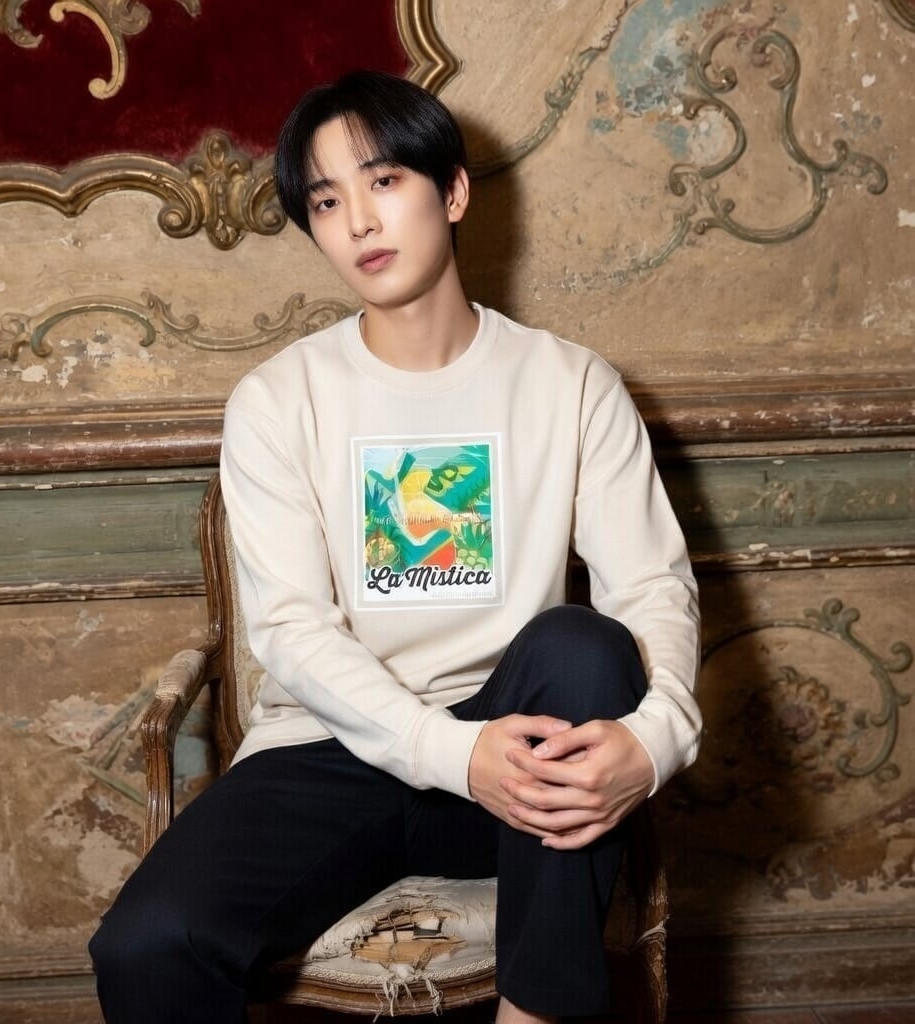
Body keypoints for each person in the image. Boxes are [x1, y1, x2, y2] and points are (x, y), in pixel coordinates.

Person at [90, 69, 701, 1023]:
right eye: (327, 202)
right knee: (145, 944)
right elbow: (293, 631)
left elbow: (651, 588)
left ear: (451, 191)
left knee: (581, 646)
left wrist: (658, 739)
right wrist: (448, 752)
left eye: (383, 182)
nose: (360, 223)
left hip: (516, 762)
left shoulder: (571, 385)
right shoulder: (277, 401)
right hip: (334, 755)